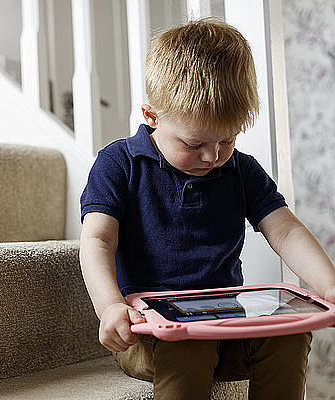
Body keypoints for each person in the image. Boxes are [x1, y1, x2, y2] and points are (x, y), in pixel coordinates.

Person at [79, 18, 335, 400]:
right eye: (195, 142)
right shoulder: (119, 163)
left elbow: (286, 230)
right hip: (150, 332)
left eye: (227, 140)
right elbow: (98, 239)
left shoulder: (241, 169)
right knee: (188, 345)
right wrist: (110, 306)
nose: (213, 156)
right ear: (152, 116)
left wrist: (328, 284)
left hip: (226, 322)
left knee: (290, 333)